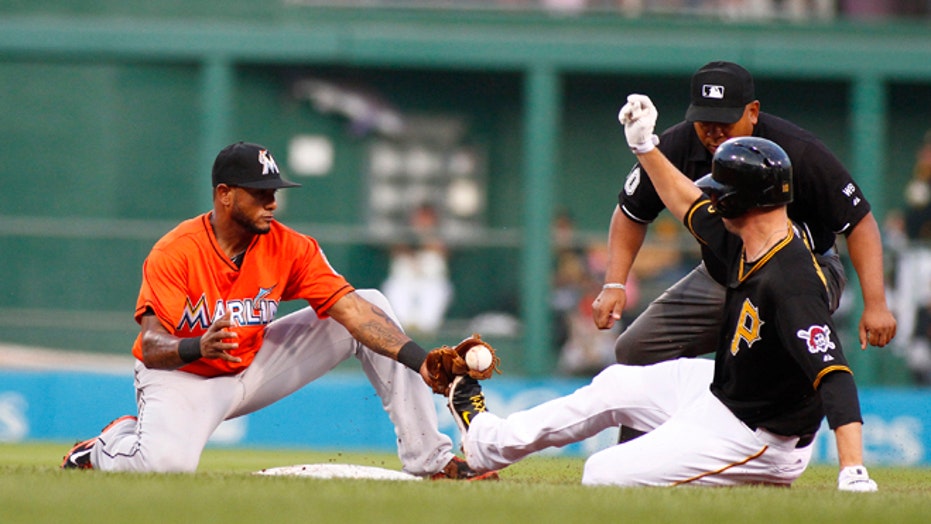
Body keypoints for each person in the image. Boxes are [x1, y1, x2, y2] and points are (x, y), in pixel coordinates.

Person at [444, 96, 878, 491]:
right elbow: (687, 202)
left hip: (759, 435)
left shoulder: (793, 280)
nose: (713, 199)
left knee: (602, 474)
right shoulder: (746, 237)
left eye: (721, 194)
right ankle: (487, 442)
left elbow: (835, 376)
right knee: (616, 384)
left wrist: (852, 469)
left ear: (742, 203)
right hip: (722, 394)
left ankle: (752, 479)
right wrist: (645, 147)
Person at [60, 141, 495, 480]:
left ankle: (430, 460)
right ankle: (103, 447)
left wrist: (422, 362)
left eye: (275, 192)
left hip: (254, 366)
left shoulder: (289, 246)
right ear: (225, 195)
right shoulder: (176, 252)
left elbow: (353, 313)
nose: (272, 202)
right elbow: (153, 347)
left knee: (373, 303)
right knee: (164, 468)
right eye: (261, 193)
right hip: (183, 378)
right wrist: (199, 345)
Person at [592, 62, 896, 441]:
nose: (714, 131)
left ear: (752, 112)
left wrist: (876, 302)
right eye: (705, 121)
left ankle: (781, 448)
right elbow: (631, 212)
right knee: (636, 350)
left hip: (805, 272)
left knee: (768, 365)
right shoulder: (678, 144)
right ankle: (638, 458)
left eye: (725, 120)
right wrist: (615, 283)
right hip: (723, 274)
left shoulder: (797, 150)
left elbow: (858, 222)